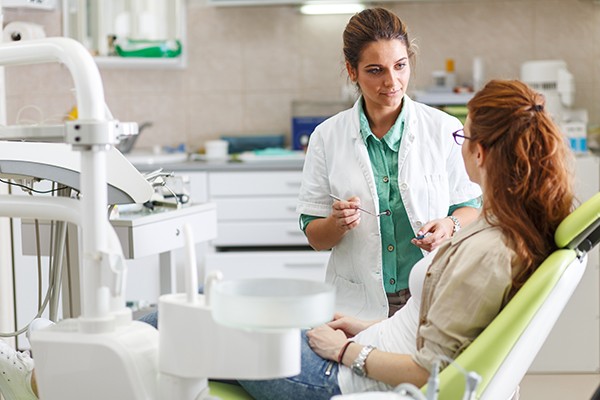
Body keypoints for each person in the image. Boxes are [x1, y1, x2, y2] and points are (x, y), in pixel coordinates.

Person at [0, 78, 574, 400]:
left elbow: (431, 374)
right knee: (187, 313)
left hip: (344, 378)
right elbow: (424, 327)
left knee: (174, 319)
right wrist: (361, 328)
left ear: (481, 152)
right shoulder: (501, 231)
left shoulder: (490, 249)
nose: (459, 144)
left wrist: (347, 350)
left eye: (466, 137)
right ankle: (50, 362)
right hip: (363, 345)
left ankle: (34, 377)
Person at [297, 7, 482, 319]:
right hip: (358, 302)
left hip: (430, 294)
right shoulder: (326, 137)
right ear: (351, 70)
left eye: (400, 66)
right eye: (375, 70)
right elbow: (315, 237)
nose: (392, 81)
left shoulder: (443, 128)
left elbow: (472, 209)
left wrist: (450, 225)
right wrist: (336, 224)